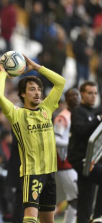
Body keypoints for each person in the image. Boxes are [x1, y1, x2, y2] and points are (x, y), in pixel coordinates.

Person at [0, 55, 66, 223]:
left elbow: (61, 82)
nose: (37, 92)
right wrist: (3, 73)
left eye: (38, 89)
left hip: (50, 173)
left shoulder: (47, 108)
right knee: (30, 219)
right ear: (22, 94)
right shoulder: (17, 114)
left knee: (48, 220)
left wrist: (37, 67)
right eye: (32, 89)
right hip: (32, 173)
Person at [68, 81, 102, 223]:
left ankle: (86, 219)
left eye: (95, 93)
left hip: (93, 158)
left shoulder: (93, 112)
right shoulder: (78, 111)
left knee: (85, 199)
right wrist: (98, 120)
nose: (93, 96)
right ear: (82, 93)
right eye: (90, 93)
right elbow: (82, 132)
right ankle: (98, 217)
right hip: (81, 158)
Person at [53, 88, 80, 223]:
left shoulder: (78, 116)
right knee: (75, 196)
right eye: (72, 95)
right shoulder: (62, 117)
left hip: (75, 162)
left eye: (77, 95)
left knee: (73, 197)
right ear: (66, 99)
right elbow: (55, 139)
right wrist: (71, 143)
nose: (75, 98)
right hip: (64, 162)